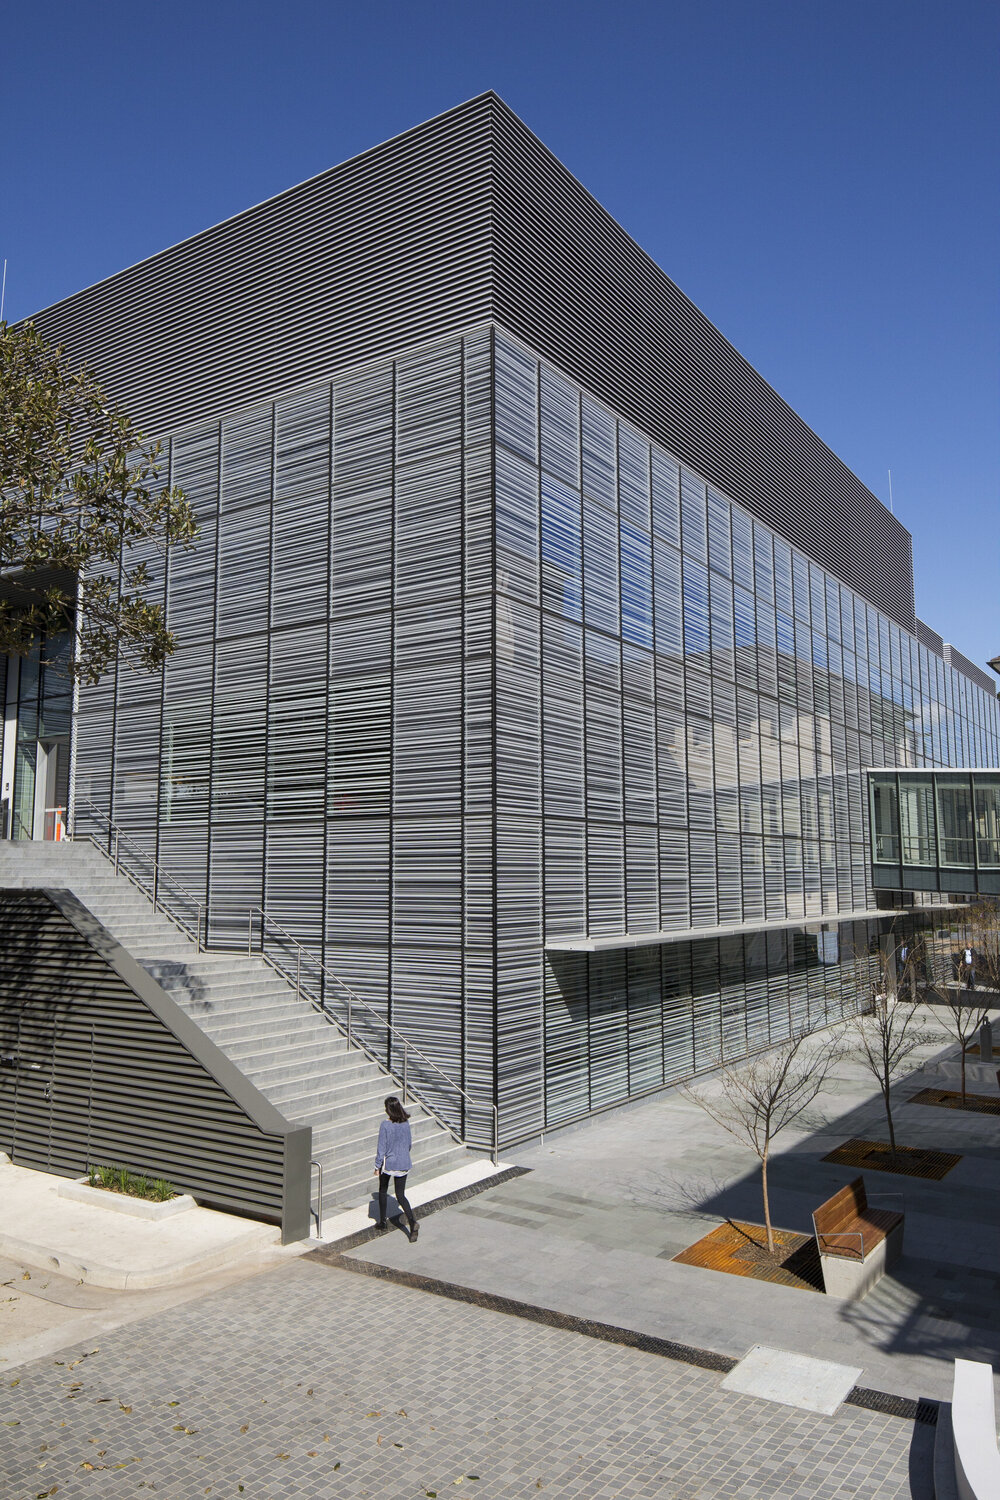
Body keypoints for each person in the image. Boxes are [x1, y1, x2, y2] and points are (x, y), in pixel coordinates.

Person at [374, 1095, 418, 1240]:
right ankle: (412, 1222)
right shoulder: (405, 1123)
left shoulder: (385, 1125)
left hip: (389, 1163)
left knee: (382, 1190)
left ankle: (382, 1222)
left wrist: (377, 1165)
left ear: (388, 1109)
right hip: (404, 1162)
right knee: (401, 1195)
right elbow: (409, 1144)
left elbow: (381, 1148)